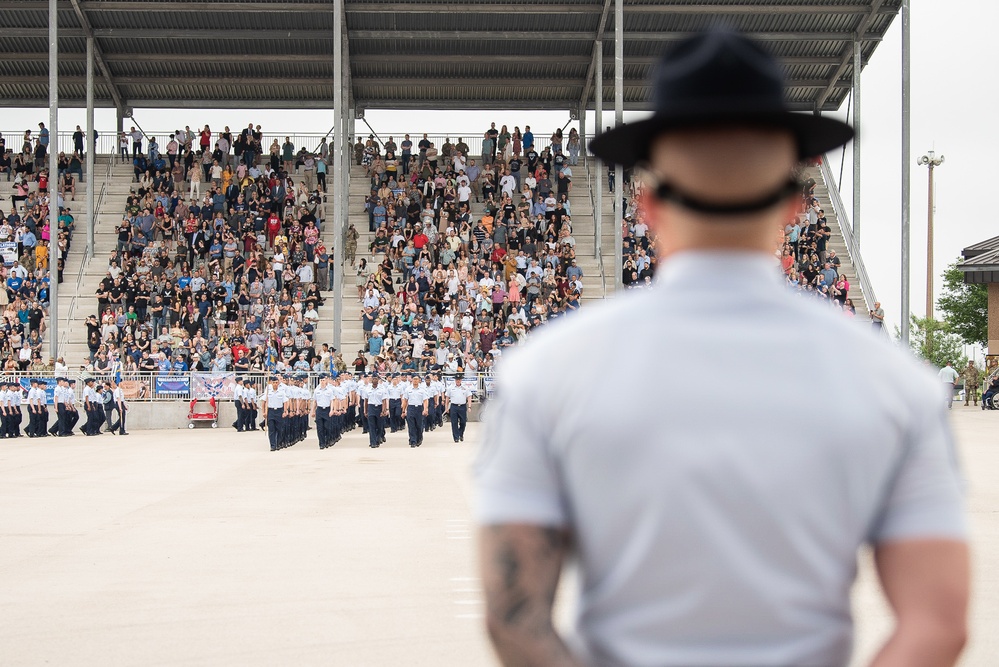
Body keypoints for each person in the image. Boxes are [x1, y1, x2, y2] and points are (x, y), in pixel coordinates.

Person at [476, 29, 968, 667]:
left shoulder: (544, 372)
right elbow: (938, 624)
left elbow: (514, 620)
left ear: (646, 207)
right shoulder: (895, 381)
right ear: (796, 206)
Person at [261, 375, 288, 451]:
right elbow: (264, 402)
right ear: (271, 383)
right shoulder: (268, 392)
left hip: (279, 411)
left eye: (276, 382)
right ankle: (273, 445)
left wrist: (285, 411)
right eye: (274, 383)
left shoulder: (281, 392)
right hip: (271, 411)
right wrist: (264, 412)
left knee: (279, 429)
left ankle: (278, 443)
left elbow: (285, 402)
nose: (275, 384)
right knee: (271, 429)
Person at [402, 374, 428, 447]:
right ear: (412, 380)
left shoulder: (422, 390)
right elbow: (405, 400)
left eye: (417, 379)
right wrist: (404, 410)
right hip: (411, 408)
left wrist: (425, 409)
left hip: (419, 408)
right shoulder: (408, 389)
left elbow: (425, 400)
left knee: (419, 426)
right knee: (411, 426)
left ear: (419, 380)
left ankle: (419, 438)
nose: (415, 380)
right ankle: (413, 441)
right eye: (414, 379)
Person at [445, 375, 471, 443]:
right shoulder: (451, 388)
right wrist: (446, 407)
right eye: (457, 379)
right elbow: (447, 398)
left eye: (459, 379)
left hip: (462, 406)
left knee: (463, 422)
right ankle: (456, 437)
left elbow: (469, 397)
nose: (458, 381)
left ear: (461, 380)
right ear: (455, 380)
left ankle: (461, 433)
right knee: (454, 422)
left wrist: (469, 406)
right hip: (454, 406)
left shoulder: (465, 388)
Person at [365, 375, 388, 448]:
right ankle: (373, 442)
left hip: (379, 407)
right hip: (371, 407)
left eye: (376, 379)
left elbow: (384, 401)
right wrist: (365, 411)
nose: (374, 380)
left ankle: (378, 440)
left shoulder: (382, 390)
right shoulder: (368, 389)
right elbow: (366, 401)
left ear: (378, 380)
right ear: (371, 380)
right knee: (372, 426)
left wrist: (383, 410)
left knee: (379, 426)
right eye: (373, 379)